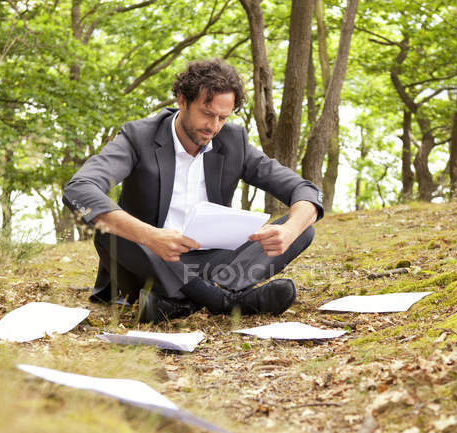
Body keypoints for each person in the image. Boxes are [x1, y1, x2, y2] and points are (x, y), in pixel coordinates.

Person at [63, 59, 323, 323]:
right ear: (181, 101)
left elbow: (303, 190)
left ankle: (177, 304)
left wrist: (289, 231)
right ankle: (225, 301)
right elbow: (80, 188)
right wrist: (151, 236)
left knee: (302, 228)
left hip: (212, 262)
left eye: (223, 117)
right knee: (109, 231)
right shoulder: (137, 137)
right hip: (151, 259)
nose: (214, 126)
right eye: (207, 114)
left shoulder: (234, 142)